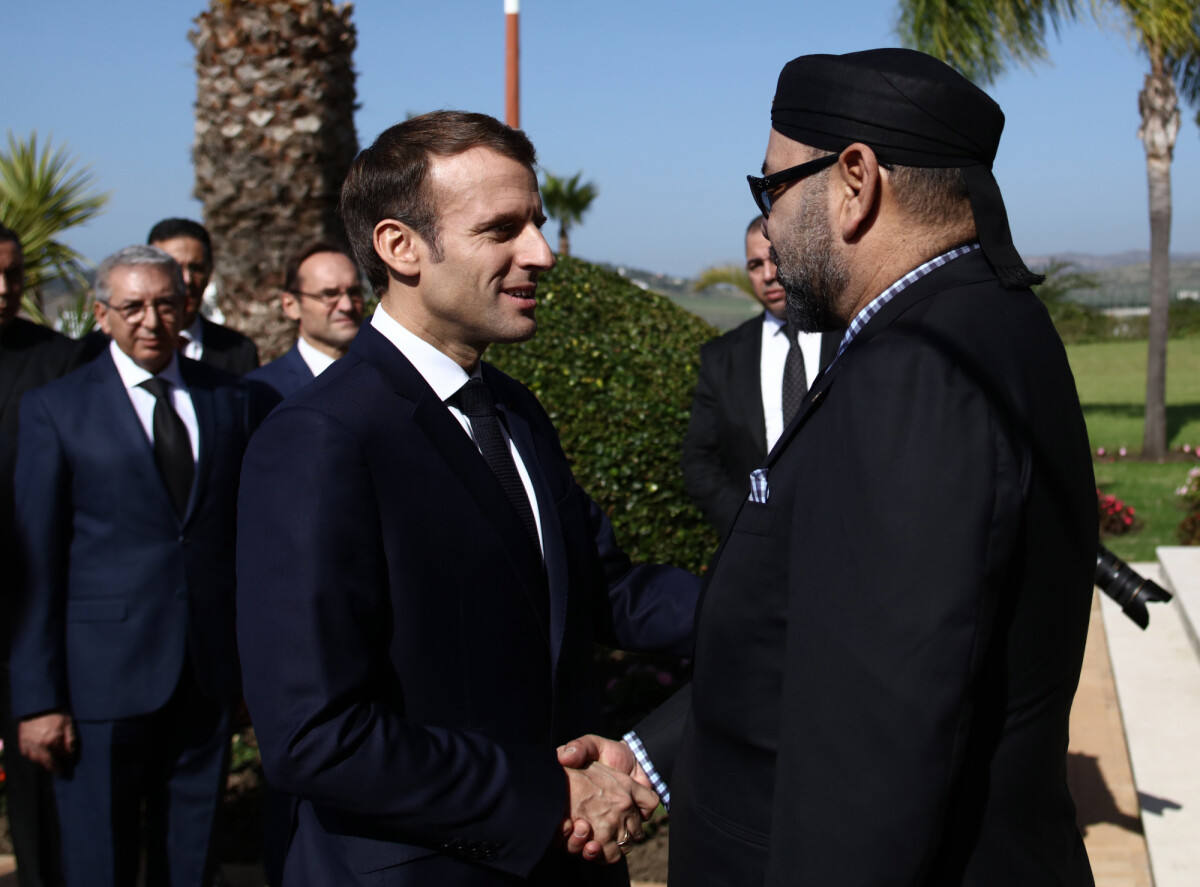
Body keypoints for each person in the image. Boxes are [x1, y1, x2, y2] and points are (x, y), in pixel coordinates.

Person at [560, 48, 1098, 886]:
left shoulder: (919, 367)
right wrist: (647, 757)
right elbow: (808, 644)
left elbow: (875, 741)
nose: (767, 227)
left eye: (770, 188)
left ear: (855, 181)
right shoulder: (971, 323)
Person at [235, 110, 700, 886]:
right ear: (399, 247)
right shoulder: (321, 439)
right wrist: (552, 790)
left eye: (539, 224)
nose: (543, 254)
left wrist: (774, 604)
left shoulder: (515, 409)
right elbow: (316, 734)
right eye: (502, 229)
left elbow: (596, 585)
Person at [9, 245, 254, 887]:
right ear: (101, 315)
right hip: (98, 686)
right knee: (99, 861)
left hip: (204, 679)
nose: (151, 320)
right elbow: (35, 562)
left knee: (192, 859)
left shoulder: (232, 401)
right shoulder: (56, 409)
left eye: (165, 304)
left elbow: (242, 545)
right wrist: (36, 700)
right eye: (133, 307)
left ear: (186, 307)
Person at [1, 223, 78, 887]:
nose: (3, 289)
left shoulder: (59, 359)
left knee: (37, 805)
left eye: (13, 274)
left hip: (25, 608)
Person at [681, 215, 842, 533]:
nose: (768, 275)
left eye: (774, 258)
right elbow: (699, 459)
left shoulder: (849, 335)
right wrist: (750, 527)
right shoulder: (722, 358)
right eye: (755, 265)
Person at [245, 239, 363, 401]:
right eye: (329, 294)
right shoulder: (260, 391)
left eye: (354, 292)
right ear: (291, 305)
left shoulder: (386, 374)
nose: (347, 305)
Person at [148, 218, 260, 375]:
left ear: (209, 271)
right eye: (175, 268)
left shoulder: (239, 352)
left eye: (196, 268)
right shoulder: (108, 349)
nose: (187, 279)